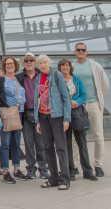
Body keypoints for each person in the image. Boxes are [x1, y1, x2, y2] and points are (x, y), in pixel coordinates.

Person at [34, 54, 71, 190]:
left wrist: (66, 118)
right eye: (40, 63)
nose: (43, 65)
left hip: (57, 115)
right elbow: (36, 99)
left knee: (61, 147)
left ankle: (65, 179)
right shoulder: (38, 78)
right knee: (48, 147)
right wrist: (37, 120)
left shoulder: (57, 75)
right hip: (43, 116)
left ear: (49, 63)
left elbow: (65, 97)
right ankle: (53, 178)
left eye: (45, 62)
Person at [58, 58, 98, 181]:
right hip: (64, 115)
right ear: (59, 68)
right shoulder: (57, 80)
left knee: (82, 143)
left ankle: (87, 170)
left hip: (77, 113)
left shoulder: (77, 80)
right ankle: (71, 170)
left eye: (67, 65)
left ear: (70, 67)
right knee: (67, 144)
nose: (65, 68)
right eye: (63, 66)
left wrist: (76, 102)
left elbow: (83, 95)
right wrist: (67, 103)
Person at [73, 42, 109, 177]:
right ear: (75, 52)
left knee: (98, 135)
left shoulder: (95, 65)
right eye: (78, 50)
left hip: (94, 103)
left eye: (83, 50)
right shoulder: (73, 67)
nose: (81, 51)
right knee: (76, 136)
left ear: (86, 52)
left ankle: (98, 165)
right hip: (79, 105)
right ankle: (75, 164)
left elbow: (104, 84)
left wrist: (97, 97)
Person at [0, 57, 28, 184]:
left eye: (11, 64)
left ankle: (17, 169)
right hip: (6, 113)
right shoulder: (0, 79)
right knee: (5, 143)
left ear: (15, 65)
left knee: (16, 143)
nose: (9, 66)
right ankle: (5, 171)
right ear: (4, 66)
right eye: (7, 64)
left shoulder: (19, 78)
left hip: (19, 113)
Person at [16, 52, 49, 179]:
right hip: (26, 114)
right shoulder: (19, 77)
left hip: (40, 114)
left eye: (31, 60)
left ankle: (43, 168)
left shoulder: (42, 76)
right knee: (28, 142)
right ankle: (31, 168)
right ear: (23, 63)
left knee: (41, 143)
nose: (29, 62)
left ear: (35, 63)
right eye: (26, 60)